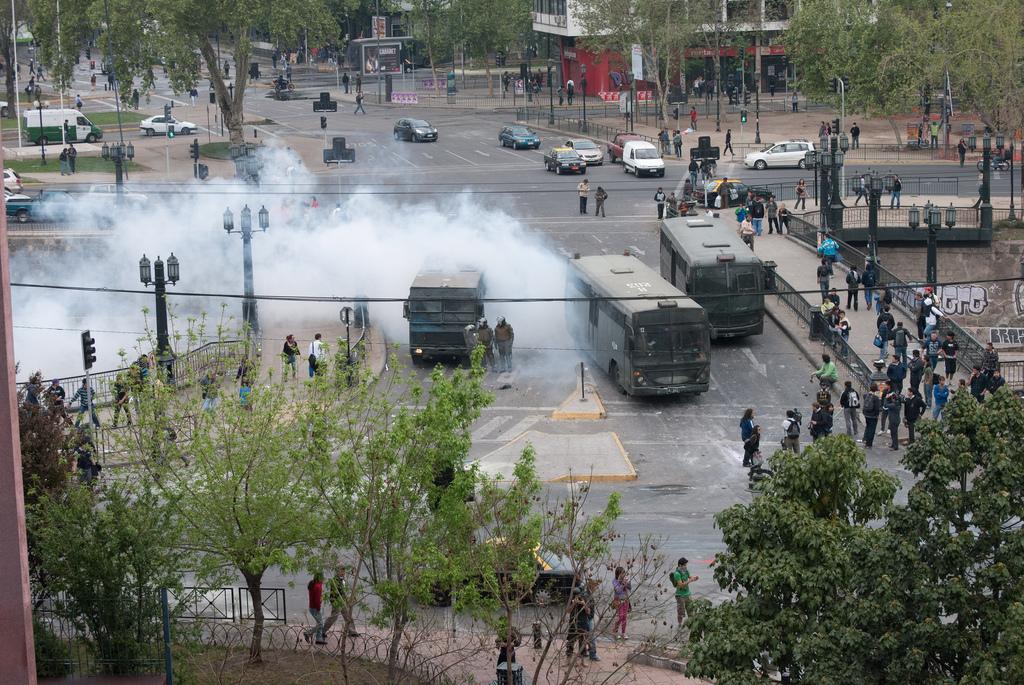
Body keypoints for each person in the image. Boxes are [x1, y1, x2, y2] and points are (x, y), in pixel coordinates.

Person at [323, 566, 359, 637]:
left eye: (343, 571)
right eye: (341, 571)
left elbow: (345, 590)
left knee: (348, 615)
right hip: (337, 601)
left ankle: (352, 631)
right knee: (333, 617)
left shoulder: (343, 579)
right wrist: (347, 598)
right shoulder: (334, 580)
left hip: (343, 601)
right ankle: (322, 631)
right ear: (337, 572)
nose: (343, 573)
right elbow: (339, 592)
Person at [670, 558, 698, 629]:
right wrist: (690, 581)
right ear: (680, 565)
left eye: (686, 565)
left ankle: (691, 625)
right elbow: (681, 584)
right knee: (681, 612)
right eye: (684, 565)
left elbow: (690, 577)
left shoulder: (686, 571)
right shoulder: (677, 574)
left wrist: (694, 578)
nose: (686, 566)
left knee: (690, 610)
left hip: (687, 594)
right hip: (680, 596)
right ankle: (679, 625)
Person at [305, 574, 326, 645]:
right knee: (320, 624)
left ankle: (318, 639)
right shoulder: (318, 587)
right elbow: (317, 600)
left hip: (312, 607)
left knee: (319, 622)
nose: (324, 578)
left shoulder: (313, 584)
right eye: (322, 577)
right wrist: (318, 608)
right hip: (315, 608)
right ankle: (308, 633)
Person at [612, 566, 631, 640]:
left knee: (624, 617)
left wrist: (627, 583)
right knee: (620, 617)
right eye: (622, 573)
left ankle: (623, 633)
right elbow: (618, 591)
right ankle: (615, 631)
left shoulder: (626, 579)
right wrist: (622, 584)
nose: (623, 575)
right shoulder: (614, 581)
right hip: (618, 600)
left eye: (624, 573)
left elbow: (630, 589)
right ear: (618, 574)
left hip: (625, 599)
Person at [861, 383, 881, 447]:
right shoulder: (876, 398)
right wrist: (877, 415)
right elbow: (877, 408)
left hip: (866, 414)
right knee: (872, 430)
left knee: (868, 426)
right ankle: (869, 443)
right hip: (873, 415)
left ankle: (865, 439)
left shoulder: (865, 395)